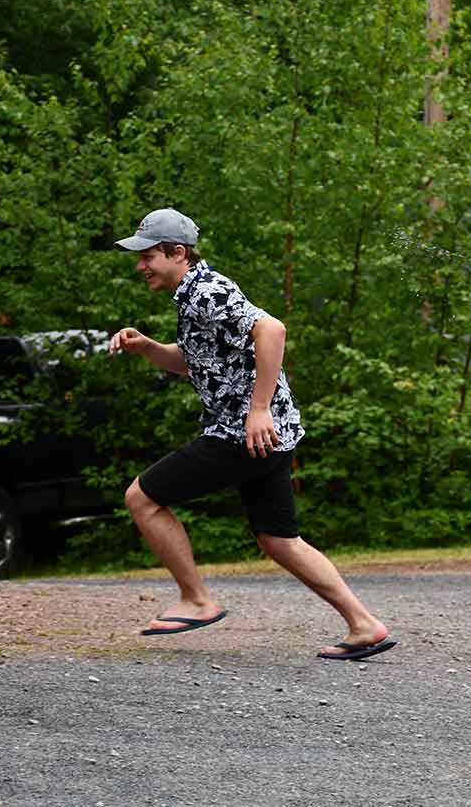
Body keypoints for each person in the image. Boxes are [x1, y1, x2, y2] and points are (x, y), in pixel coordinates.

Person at [109, 207, 396, 661]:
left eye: (147, 256)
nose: (140, 266)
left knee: (141, 498)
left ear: (176, 253)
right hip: (269, 435)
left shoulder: (206, 290)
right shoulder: (192, 294)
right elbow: (194, 363)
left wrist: (258, 409)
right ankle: (365, 625)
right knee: (279, 539)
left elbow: (272, 329)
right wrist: (147, 347)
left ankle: (197, 600)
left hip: (241, 434)